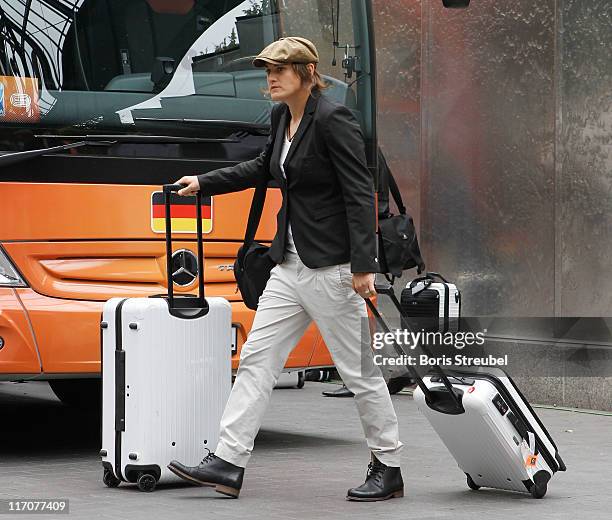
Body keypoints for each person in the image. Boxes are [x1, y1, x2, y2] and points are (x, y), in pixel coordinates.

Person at [167, 36, 404, 501]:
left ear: (307, 72)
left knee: (358, 374)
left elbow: (360, 193)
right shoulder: (282, 117)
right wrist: (204, 182)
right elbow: (263, 167)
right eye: (267, 70)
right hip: (289, 266)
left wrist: (363, 266)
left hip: (333, 270)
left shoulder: (334, 120)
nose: (271, 78)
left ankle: (388, 464)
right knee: (257, 361)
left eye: (280, 69)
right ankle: (228, 462)